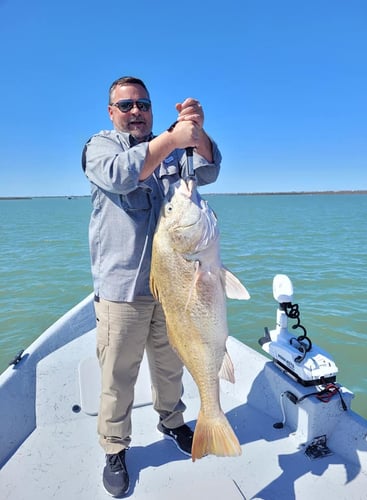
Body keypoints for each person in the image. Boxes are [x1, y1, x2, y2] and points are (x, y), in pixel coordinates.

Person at [82, 76, 221, 497]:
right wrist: (172, 139)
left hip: (173, 287)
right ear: (111, 112)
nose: (135, 111)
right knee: (118, 375)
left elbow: (209, 169)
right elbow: (123, 175)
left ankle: (172, 421)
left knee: (170, 363)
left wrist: (196, 132)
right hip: (122, 288)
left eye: (142, 103)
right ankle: (115, 447)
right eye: (125, 105)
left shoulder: (173, 146)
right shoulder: (99, 147)